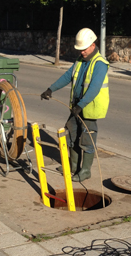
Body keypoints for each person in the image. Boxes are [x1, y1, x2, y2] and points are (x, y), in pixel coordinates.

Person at [41, 28, 110, 182]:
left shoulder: (100, 64)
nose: (82, 52)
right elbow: (67, 76)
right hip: (76, 107)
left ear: (92, 45)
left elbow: (94, 88)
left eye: (83, 49)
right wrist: (51, 89)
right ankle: (73, 166)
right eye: (80, 49)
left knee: (87, 139)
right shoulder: (80, 61)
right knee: (72, 135)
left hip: (89, 109)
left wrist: (82, 105)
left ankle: (85, 171)